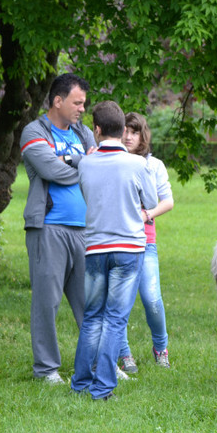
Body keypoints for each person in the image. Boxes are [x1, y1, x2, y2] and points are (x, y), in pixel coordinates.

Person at [70, 101, 158, 401]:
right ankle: (103, 387)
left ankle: (81, 380)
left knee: (92, 315)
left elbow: (86, 193)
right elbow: (150, 200)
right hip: (128, 249)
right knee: (115, 319)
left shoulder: (85, 163)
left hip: (94, 248)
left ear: (96, 130)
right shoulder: (138, 164)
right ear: (122, 131)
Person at [19, 74, 97, 385]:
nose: (82, 109)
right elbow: (51, 170)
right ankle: (47, 370)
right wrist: (82, 162)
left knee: (90, 303)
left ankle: (96, 364)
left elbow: (98, 166)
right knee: (46, 303)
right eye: (78, 103)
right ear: (58, 101)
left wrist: (70, 159)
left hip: (86, 230)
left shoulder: (83, 131)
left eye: (84, 104)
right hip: (48, 228)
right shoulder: (33, 131)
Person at [117, 112, 174, 373]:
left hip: (144, 241)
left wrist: (147, 214)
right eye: (124, 130)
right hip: (116, 240)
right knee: (119, 302)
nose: (128, 136)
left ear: (143, 136)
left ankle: (160, 347)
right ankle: (124, 354)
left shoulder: (154, 165)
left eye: (134, 131)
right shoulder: (112, 161)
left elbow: (167, 201)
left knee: (152, 298)